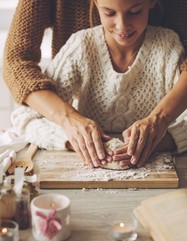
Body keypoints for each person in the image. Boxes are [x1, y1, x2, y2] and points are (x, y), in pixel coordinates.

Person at [3, 0, 187, 168]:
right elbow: (25, 112)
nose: (122, 26)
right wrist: (72, 133)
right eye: (109, 13)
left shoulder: (167, 46)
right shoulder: (81, 46)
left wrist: (158, 135)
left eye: (135, 11)